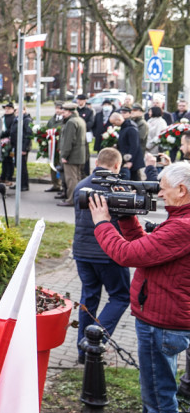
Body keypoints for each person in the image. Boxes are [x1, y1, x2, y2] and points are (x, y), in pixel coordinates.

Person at [90, 162, 190, 413]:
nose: (158, 192)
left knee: (160, 398)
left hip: (162, 322)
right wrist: (127, 217)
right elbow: (143, 248)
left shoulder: (182, 227)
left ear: (182, 190)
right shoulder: (179, 221)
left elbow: (126, 255)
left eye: (162, 187)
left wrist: (102, 223)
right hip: (161, 316)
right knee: (154, 393)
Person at [70, 148, 129, 364]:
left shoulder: (81, 185)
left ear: (97, 162)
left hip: (82, 252)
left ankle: (82, 352)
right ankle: (94, 342)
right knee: (121, 296)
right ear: (116, 166)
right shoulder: (118, 187)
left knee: (89, 297)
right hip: (109, 252)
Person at [58, 102, 89, 207]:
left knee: (71, 179)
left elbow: (68, 141)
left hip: (72, 156)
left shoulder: (71, 122)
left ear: (70, 112)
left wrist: (64, 155)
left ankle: (72, 199)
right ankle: (80, 199)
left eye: (65, 111)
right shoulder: (80, 120)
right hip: (80, 155)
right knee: (78, 178)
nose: (63, 113)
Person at [113, 107, 144, 181]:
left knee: (135, 180)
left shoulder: (131, 128)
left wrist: (130, 161)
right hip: (127, 157)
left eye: (114, 123)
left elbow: (134, 146)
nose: (113, 125)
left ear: (119, 120)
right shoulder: (124, 127)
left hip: (131, 159)